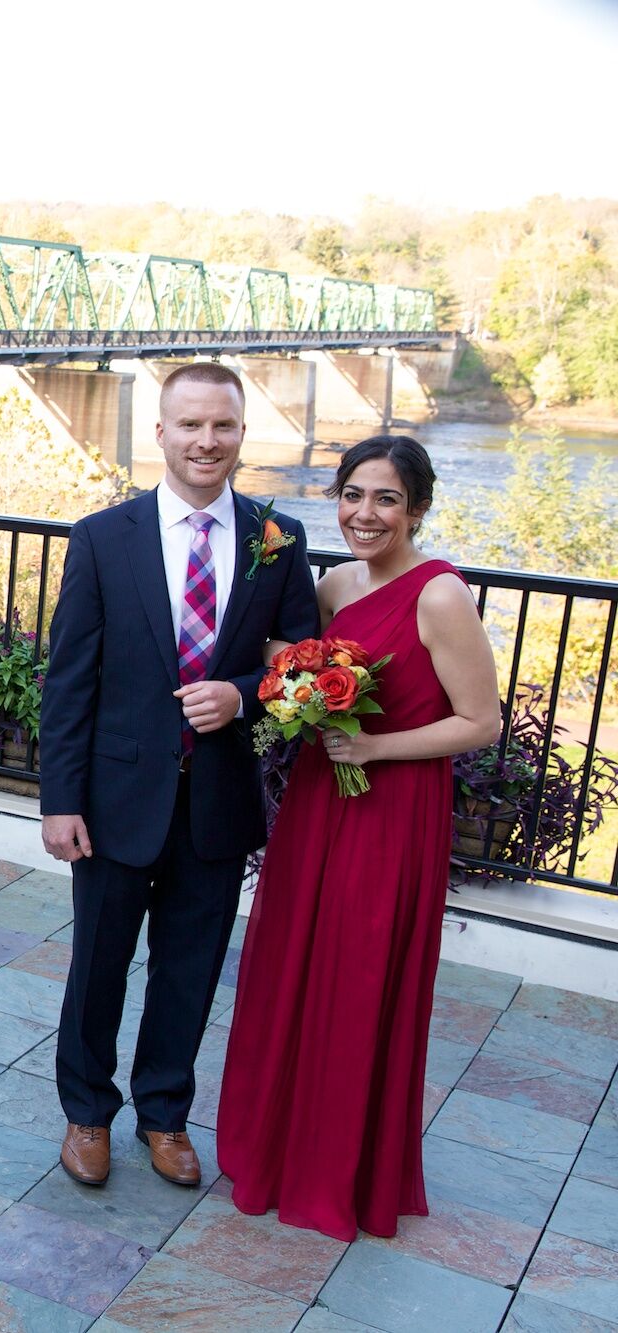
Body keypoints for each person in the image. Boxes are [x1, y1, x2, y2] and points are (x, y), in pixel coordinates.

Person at [41, 361, 319, 1191]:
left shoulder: (280, 541)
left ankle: (165, 1112)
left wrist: (239, 696)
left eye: (223, 426)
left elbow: (302, 672)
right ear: (158, 432)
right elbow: (69, 680)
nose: (207, 441)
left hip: (217, 802)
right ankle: (87, 1110)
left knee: (191, 968)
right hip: (116, 798)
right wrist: (61, 801)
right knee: (98, 963)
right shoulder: (102, 536)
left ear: (242, 433)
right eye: (190, 425)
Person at [218, 436, 499, 1240]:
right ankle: (272, 1146)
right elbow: (289, 662)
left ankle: (338, 1168)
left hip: (390, 808)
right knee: (291, 965)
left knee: (358, 978)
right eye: (352, 495)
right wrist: (296, 686)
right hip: (319, 800)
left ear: (416, 508)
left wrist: (373, 747)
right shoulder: (334, 582)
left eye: (385, 499)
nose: (364, 513)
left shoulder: (440, 595)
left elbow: (480, 721)